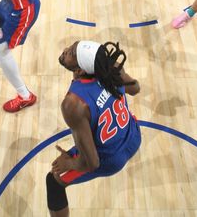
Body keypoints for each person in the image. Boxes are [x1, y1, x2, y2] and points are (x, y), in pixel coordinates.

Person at [49, 40, 141, 216]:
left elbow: (92, 163)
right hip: (133, 133)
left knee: (53, 182)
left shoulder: (74, 104)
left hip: (110, 159)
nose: (66, 49)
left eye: (71, 53)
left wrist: (68, 162)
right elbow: (136, 88)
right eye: (71, 47)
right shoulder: (110, 67)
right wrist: (118, 79)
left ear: (80, 70)